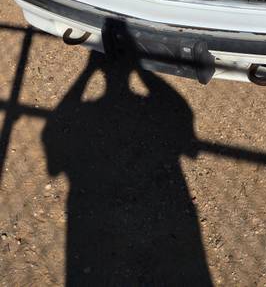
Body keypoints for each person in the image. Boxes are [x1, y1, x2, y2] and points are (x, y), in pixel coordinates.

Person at [42, 35, 212, 286]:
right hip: (165, 208)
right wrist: (142, 70)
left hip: (90, 217)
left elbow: (54, 150)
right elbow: (182, 121)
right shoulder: (150, 108)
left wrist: (87, 74)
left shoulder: (88, 115)